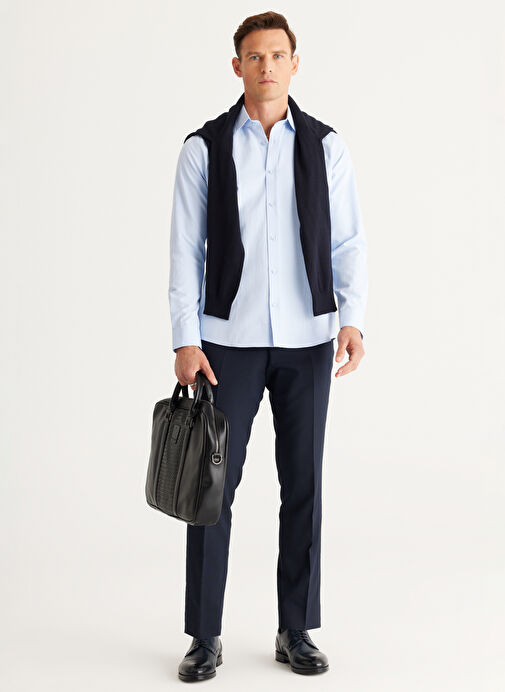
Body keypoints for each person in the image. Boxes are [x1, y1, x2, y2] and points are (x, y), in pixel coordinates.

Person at [169, 11, 368, 682]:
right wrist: (185, 339)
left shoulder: (325, 147)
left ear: (294, 63)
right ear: (237, 67)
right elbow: (185, 251)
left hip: (309, 340)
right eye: (254, 56)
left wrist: (352, 319)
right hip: (226, 345)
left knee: (304, 484)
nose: (266, 67)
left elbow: (347, 240)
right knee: (210, 491)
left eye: (277, 55)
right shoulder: (203, 149)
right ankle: (204, 636)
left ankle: (295, 629)